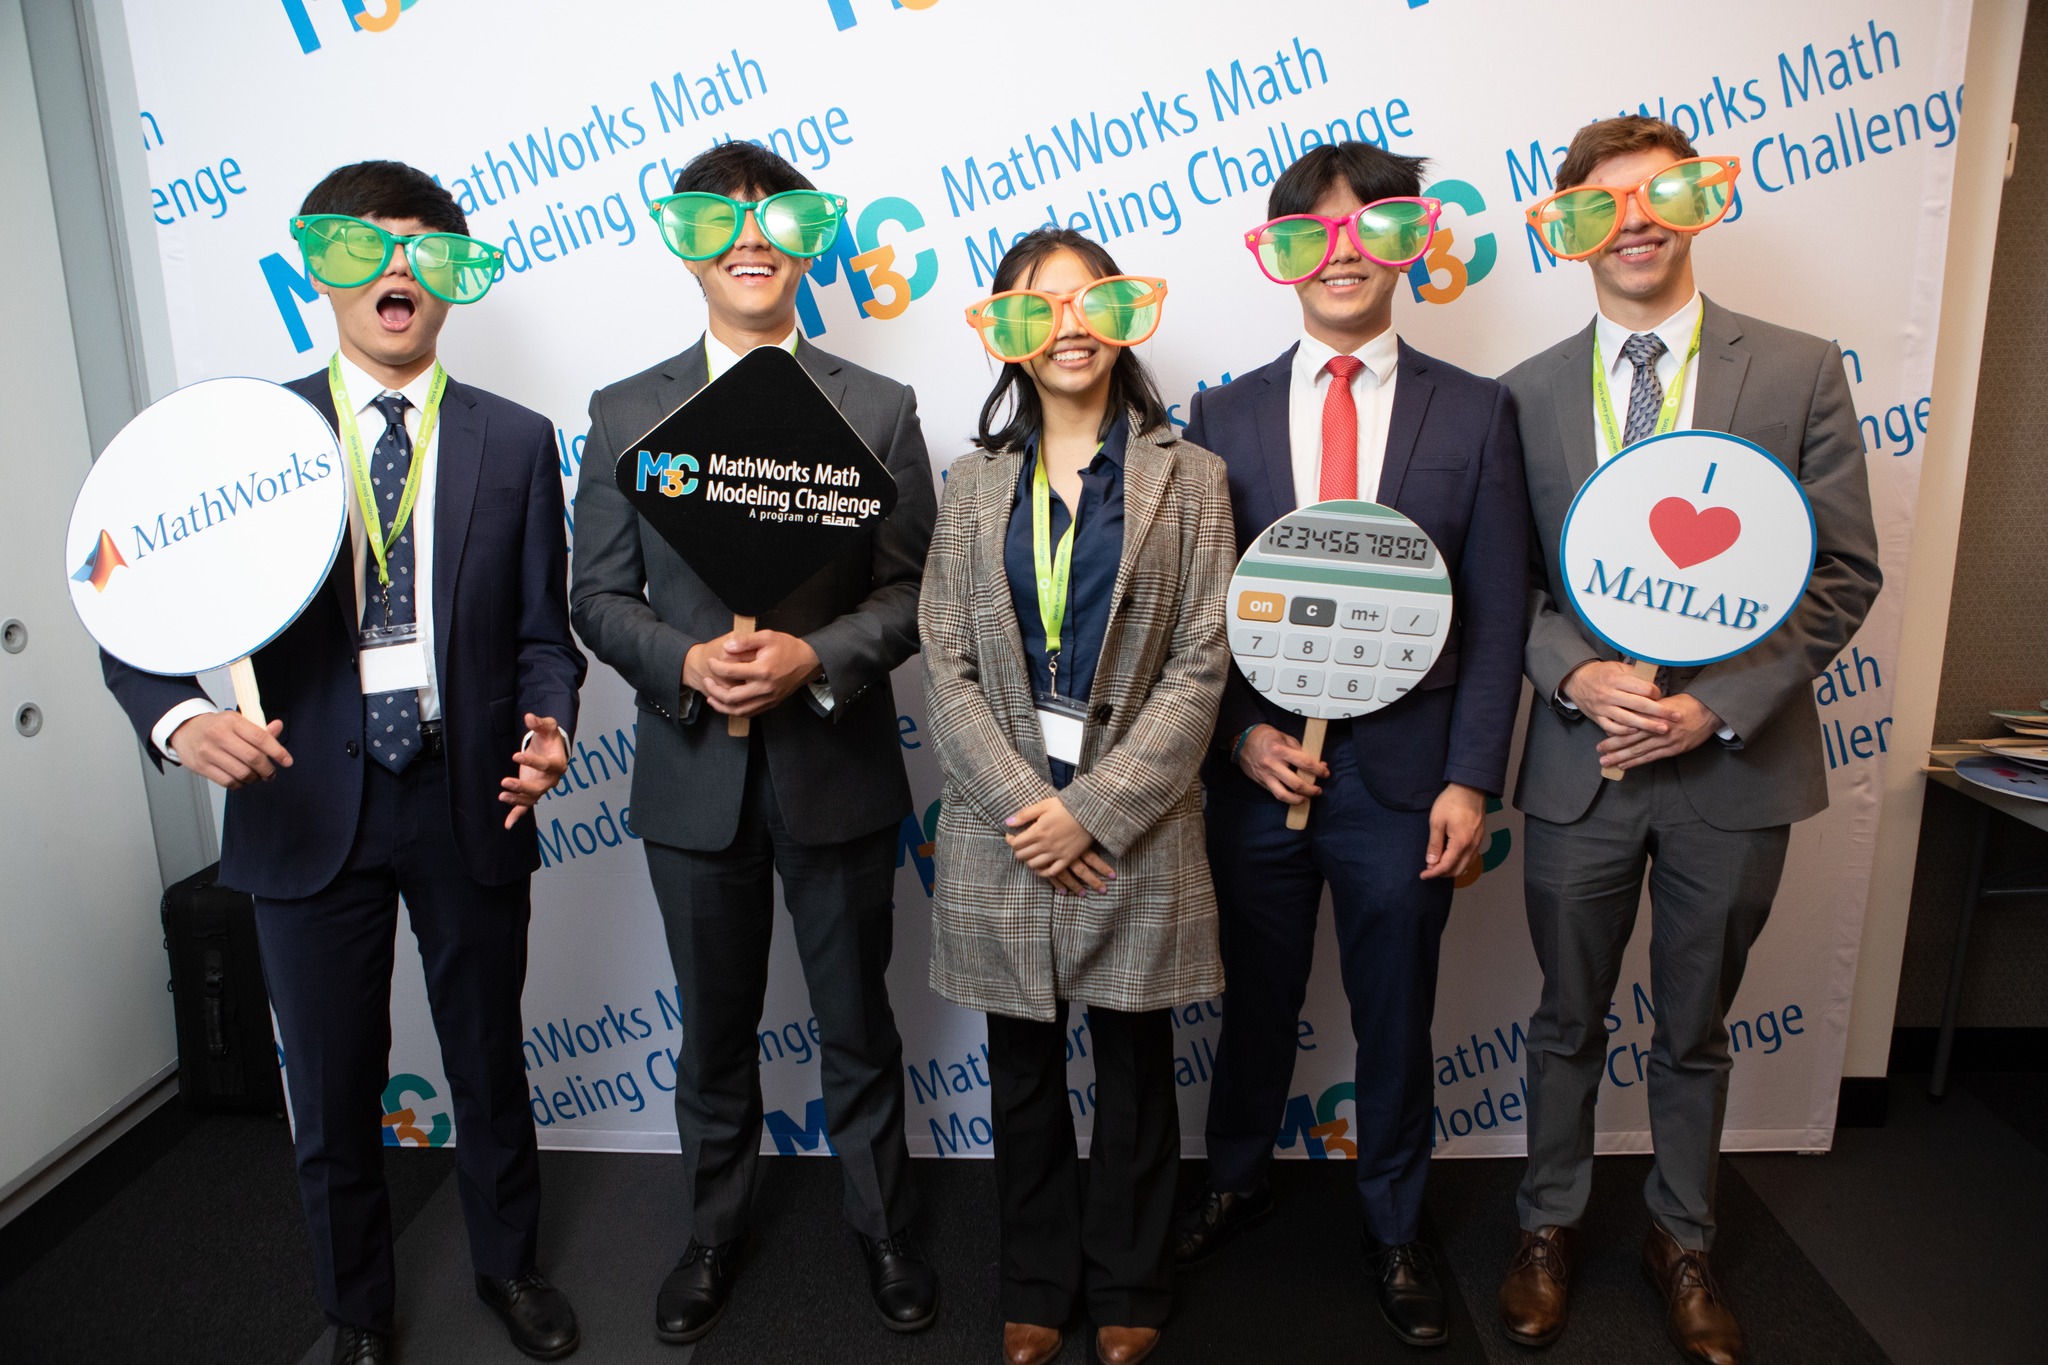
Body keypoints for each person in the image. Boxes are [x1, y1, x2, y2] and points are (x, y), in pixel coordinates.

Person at [102, 161, 586, 1365]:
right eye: (367, 249)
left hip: (468, 800)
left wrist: (554, 723)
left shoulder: (515, 441)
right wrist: (177, 721)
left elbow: (543, 635)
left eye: (424, 251)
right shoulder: (239, 442)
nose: (396, 273)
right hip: (299, 805)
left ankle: (509, 1268)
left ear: (450, 282)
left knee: (487, 1061)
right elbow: (120, 598)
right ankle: (355, 1312)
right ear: (324, 271)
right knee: (329, 1091)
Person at [1497, 116, 1881, 1364]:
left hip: (1731, 765)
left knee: (1694, 1027)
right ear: (1569, 228)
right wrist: (1579, 676)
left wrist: (1710, 705)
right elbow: (1509, 592)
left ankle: (1682, 1235)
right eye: (1601, 202)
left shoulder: (1799, 369)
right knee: (1563, 1019)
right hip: (1581, 766)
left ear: (1697, 204)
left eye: (1657, 194)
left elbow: (1839, 575)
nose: (1635, 219)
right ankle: (1547, 1226)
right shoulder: (1523, 394)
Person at [568, 141, 939, 1345]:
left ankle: (882, 1227)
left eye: (772, 219)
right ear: (686, 243)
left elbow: (909, 591)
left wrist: (811, 657)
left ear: (804, 238)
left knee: (856, 1023)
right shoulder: (627, 412)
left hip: (833, 771)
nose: (748, 240)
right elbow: (598, 595)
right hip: (692, 781)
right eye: (718, 222)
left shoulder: (875, 408)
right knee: (710, 1031)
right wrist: (684, 663)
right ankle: (714, 1230)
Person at [1174, 141, 1529, 1350]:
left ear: (1407, 244)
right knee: (1251, 1000)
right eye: (1309, 234)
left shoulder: (1476, 412)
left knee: (1395, 1010)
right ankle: (1233, 1174)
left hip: (1406, 783)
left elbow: (1493, 615)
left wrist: (1471, 779)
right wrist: (1238, 738)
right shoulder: (1215, 417)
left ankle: (1393, 1221)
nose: (1340, 256)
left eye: (1367, 229)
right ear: (1281, 258)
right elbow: (1194, 613)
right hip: (1261, 775)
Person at [922, 229, 1231, 1365]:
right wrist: (1027, 806)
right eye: (1035, 306)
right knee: (1022, 1073)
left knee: (1137, 1071)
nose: (1065, 325)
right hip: (1003, 826)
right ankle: (1035, 1285)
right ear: (1006, 332)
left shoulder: (1188, 478)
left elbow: (1204, 661)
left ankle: (1134, 1285)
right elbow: (944, 662)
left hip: (1134, 826)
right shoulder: (970, 486)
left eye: (1086, 301)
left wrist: (1093, 810)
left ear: (1118, 318)